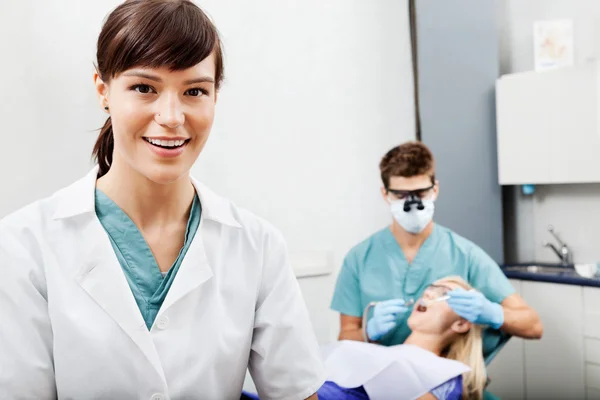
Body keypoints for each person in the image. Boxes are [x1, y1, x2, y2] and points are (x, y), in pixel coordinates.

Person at [0, 1, 324, 399]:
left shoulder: (257, 246)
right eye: (144, 88)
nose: (171, 115)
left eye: (194, 91)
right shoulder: (22, 245)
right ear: (103, 89)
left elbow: (296, 391)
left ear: (215, 96)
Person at [331, 141, 543, 350]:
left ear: (435, 189)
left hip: (448, 378)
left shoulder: (465, 255)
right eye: (401, 195)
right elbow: (346, 337)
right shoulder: (360, 258)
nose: (412, 205)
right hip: (381, 379)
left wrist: (493, 313)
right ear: (385, 194)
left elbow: (533, 326)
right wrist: (367, 333)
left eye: (421, 193)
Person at [243, 276, 487, 400]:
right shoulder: (384, 353)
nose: (429, 293)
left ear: (462, 323)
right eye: (430, 288)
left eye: (444, 294)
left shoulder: (448, 374)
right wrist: (366, 335)